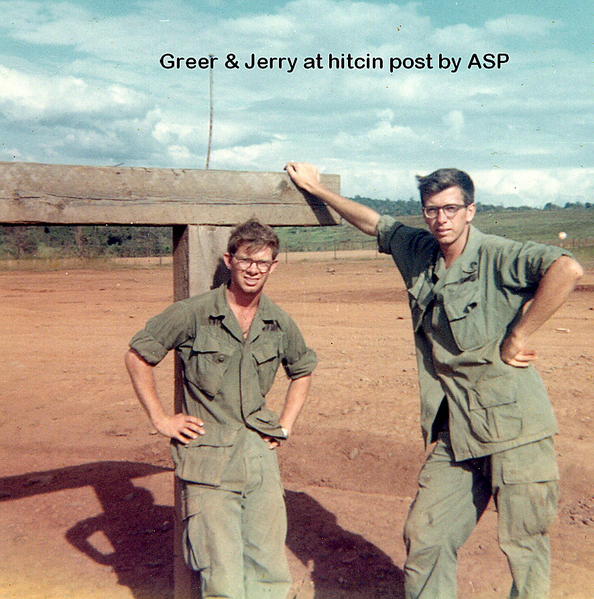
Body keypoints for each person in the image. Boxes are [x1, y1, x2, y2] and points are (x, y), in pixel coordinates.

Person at [285, 162, 583, 599]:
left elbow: (568, 268)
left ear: (470, 210)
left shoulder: (497, 254)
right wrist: (317, 189)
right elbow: (375, 223)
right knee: (425, 536)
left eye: (450, 208)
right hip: (456, 429)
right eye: (431, 210)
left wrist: (520, 332)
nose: (440, 219)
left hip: (514, 430)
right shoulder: (419, 251)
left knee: (524, 548)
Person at [125, 218, 317, 599]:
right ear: (229, 260)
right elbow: (138, 356)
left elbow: (303, 370)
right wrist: (161, 419)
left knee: (270, 572)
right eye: (246, 259)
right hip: (208, 462)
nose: (253, 269)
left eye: (262, 262)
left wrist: (285, 425)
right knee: (222, 578)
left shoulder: (278, 322)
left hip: (260, 460)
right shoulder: (193, 313)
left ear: (274, 266)